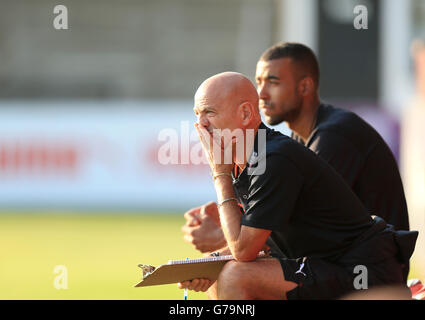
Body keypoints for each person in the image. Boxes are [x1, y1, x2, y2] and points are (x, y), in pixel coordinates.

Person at [178, 72, 417, 300]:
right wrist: (204, 265)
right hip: (324, 265)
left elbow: (243, 250)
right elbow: (261, 243)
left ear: (245, 113)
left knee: (235, 275)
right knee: (217, 273)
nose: (200, 124)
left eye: (209, 112)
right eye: (197, 114)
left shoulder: (274, 158)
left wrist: (219, 173)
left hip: (361, 273)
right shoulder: (252, 158)